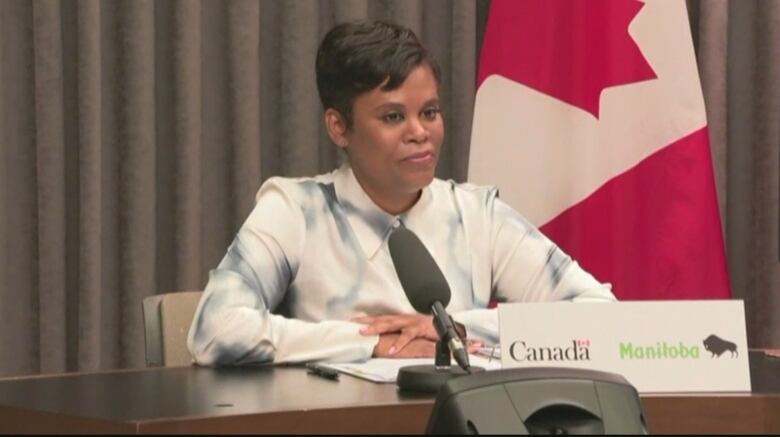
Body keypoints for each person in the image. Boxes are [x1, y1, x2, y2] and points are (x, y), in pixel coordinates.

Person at [187, 19, 615, 367]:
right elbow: (215, 329)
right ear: (339, 127)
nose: (420, 133)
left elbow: (601, 311)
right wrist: (370, 341)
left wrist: (458, 329)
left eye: (429, 112)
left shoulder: (476, 214)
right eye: (393, 117)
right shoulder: (296, 210)